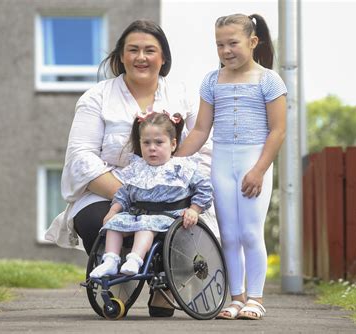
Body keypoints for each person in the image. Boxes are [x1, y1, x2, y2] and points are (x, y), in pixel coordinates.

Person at [44, 19, 216, 317]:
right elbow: (81, 156)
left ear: (163, 59)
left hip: (170, 187)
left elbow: (205, 149)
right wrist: (128, 194)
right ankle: (118, 278)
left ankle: (165, 285)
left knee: (178, 220)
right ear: (120, 56)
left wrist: (174, 185)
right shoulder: (97, 97)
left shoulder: (182, 97)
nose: (141, 57)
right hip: (113, 188)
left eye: (150, 50)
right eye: (132, 50)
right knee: (96, 220)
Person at [175, 13, 287, 320]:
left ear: (252, 42)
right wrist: (175, 160)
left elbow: (278, 131)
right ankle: (236, 298)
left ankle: (256, 298)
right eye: (219, 44)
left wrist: (259, 170)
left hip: (254, 162)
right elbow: (200, 131)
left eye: (233, 43)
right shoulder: (212, 80)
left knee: (251, 232)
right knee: (229, 234)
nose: (226, 50)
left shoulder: (269, 80)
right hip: (222, 162)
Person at [89, 111, 212, 278]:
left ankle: (135, 259)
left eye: (159, 143)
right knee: (114, 224)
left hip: (169, 216)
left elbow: (204, 188)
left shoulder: (181, 167)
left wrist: (194, 210)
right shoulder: (137, 168)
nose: (152, 148)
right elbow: (124, 193)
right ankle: (111, 260)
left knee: (145, 226)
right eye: (146, 143)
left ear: (173, 144)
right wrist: (113, 211)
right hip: (138, 214)